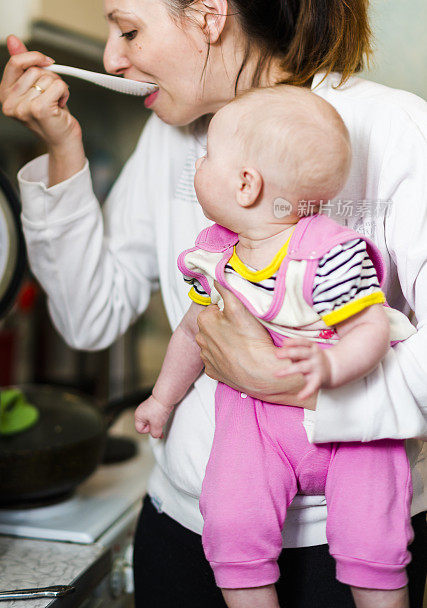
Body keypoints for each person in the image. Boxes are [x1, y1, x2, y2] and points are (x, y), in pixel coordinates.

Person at [0, 0, 427, 608]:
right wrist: (61, 148)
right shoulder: (173, 142)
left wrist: (303, 389)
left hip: (342, 558)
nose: (112, 59)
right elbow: (89, 319)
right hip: (183, 537)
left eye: (129, 30)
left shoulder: (388, 128)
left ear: (209, 16)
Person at [134, 85, 417, 608]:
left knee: (372, 529)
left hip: (349, 427)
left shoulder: (328, 254)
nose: (199, 165)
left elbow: (373, 328)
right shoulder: (216, 257)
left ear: (245, 184)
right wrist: (162, 399)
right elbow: (194, 332)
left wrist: (331, 365)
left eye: (209, 156)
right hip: (256, 423)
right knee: (232, 516)